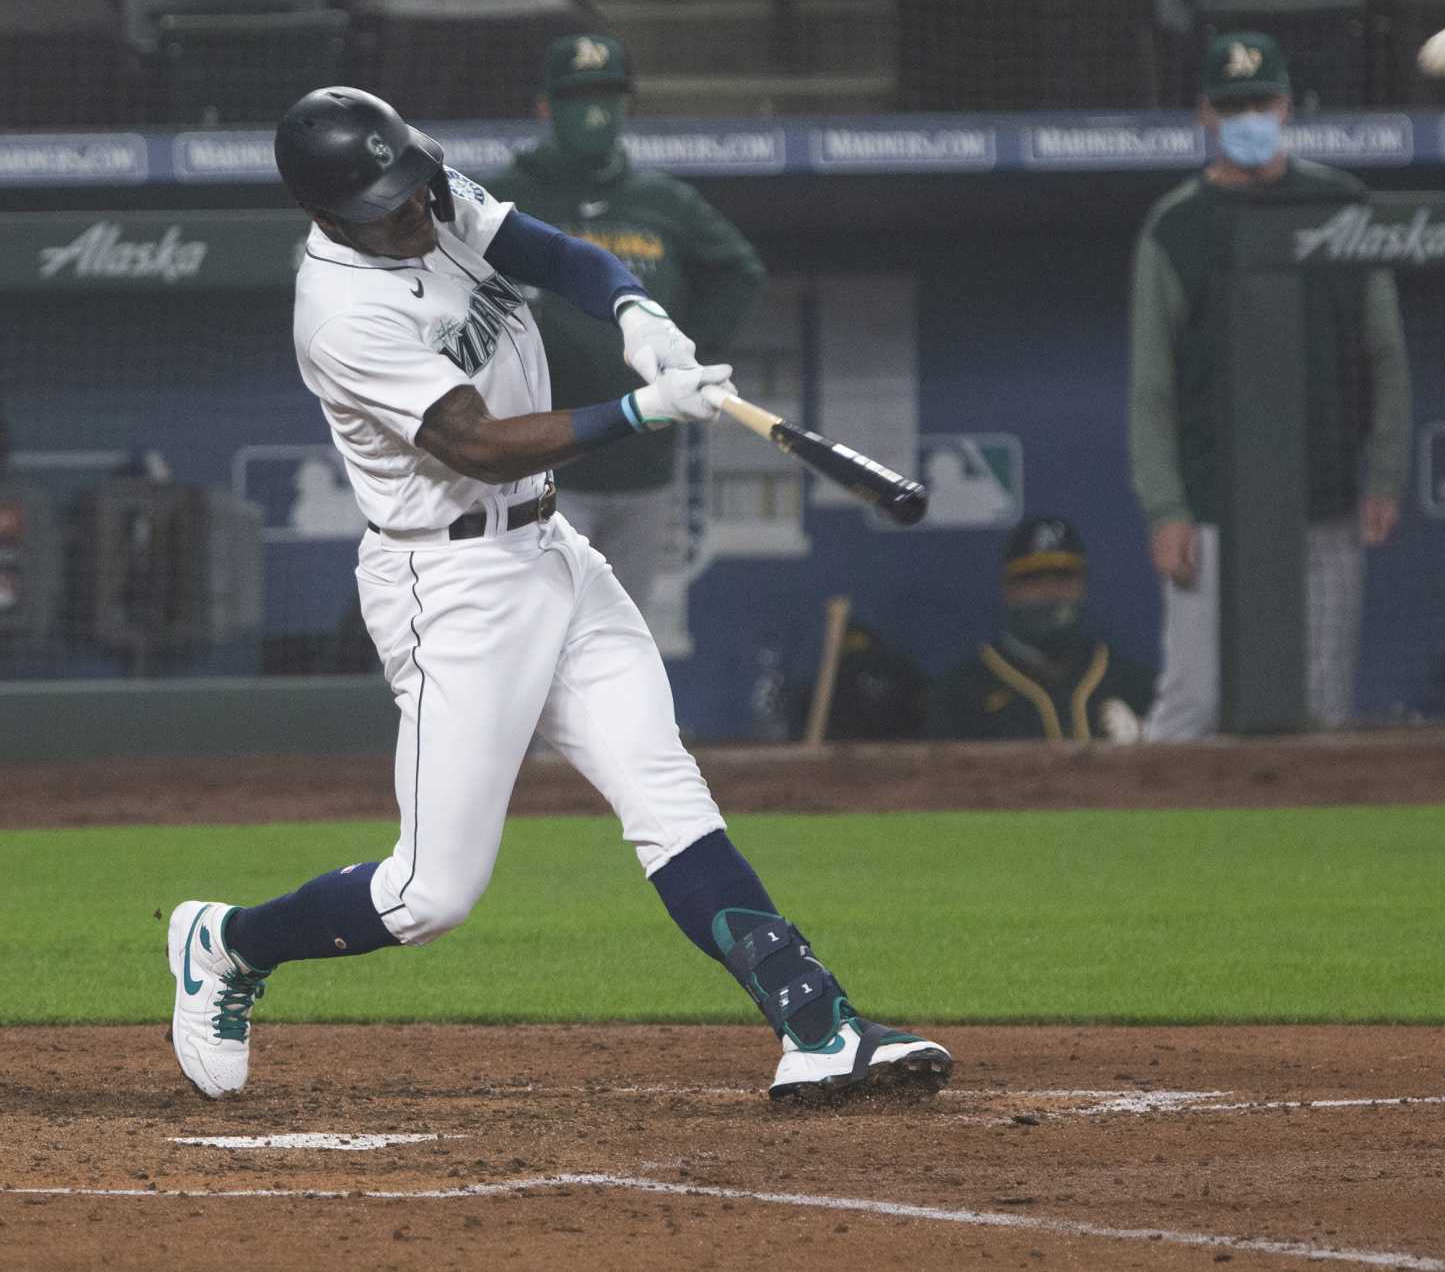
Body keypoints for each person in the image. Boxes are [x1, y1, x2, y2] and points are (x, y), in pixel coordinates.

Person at [166, 87, 949, 1105]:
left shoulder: (420, 188)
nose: (418, 212)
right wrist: (641, 407)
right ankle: (226, 943)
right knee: (428, 895)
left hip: (551, 551)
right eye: (390, 205)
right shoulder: (340, 315)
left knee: (664, 793)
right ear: (327, 212)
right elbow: (474, 445)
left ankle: (819, 1025)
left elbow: (553, 251)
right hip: (448, 585)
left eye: (415, 186)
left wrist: (637, 311)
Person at [1129, 31, 1411, 736]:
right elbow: (1151, 385)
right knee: (1193, 705)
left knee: (1320, 709)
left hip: (1324, 500)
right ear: (1204, 115)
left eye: (1258, 101)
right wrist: (1165, 507)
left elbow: (1385, 354)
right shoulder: (1176, 226)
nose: (1246, 118)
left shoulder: (1342, 202)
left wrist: (1384, 471)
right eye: (1231, 106)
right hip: (1212, 504)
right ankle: (1166, 849)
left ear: (1286, 105)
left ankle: (1311, 850)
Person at [485, 34, 765, 631]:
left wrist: (696, 349)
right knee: (536, 642)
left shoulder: (662, 200)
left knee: (620, 638)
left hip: (644, 463)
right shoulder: (506, 199)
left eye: (608, 95)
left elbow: (739, 270)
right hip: (538, 464)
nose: (595, 112)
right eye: (578, 96)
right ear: (544, 106)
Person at [928, 517, 1155, 742]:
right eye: (1033, 580)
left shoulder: (1132, 684)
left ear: (1082, 586)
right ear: (1008, 590)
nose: (1049, 592)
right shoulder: (962, 694)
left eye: (1062, 578)